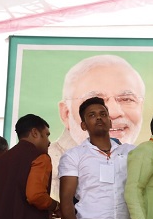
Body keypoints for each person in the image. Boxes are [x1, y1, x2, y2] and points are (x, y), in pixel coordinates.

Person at [51, 55, 145, 193]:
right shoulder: (53, 167)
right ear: (66, 113)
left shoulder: (137, 158)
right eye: (95, 100)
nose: (112, 113)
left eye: (126, 99)